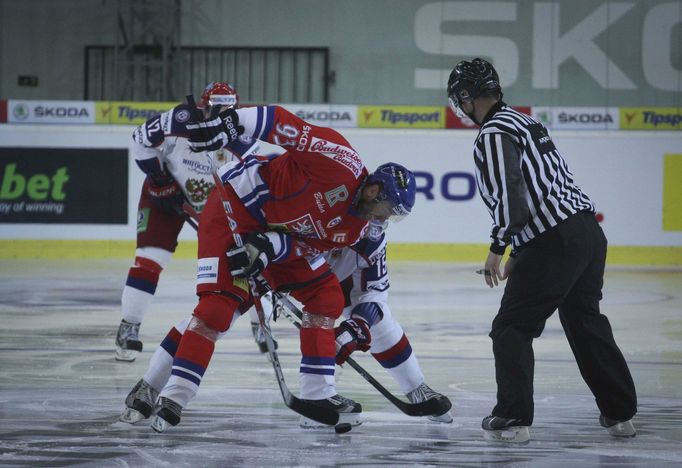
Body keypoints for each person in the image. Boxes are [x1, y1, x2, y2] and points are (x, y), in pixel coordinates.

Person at [121, 101, 418, 432]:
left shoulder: (356, 228)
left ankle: (318, 393)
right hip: (234, 208)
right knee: (218, 309)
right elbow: (282, 122)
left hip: (270, 239)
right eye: (387, 208)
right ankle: (169, 393)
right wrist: (232, 122)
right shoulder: (340, 162)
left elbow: (305, 246)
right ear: (373, 190)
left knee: (326, 295)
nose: (385, 219)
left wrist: (267, 250)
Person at [446, 58, 637, 443]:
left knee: (511, 327)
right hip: (585, 233)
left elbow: (512, 193)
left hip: (554, 241)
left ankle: (513, 418)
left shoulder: (493, 133)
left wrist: (498, 248)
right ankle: (620, 414)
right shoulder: (525, 122)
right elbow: (544, 188)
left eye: (459, 99)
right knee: (585, 322)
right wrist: (520, 251)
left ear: (467, 96)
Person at [119, 229, 453, 429]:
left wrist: (356, 327)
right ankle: (148, 386)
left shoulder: (371, 238)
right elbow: (279, 235)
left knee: (381, 324)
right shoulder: (325, 213)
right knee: (210, 318)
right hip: (271, 265)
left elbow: (374, 294)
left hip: (320, 285)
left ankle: (411, 389)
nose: (376, 223)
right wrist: (261, 258)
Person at [114, 82, 270, 362]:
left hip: (215, 208)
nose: (221, 113)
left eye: (228, 108)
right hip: (164, 196)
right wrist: (160, 181)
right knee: (148, 261)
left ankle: (262, 326)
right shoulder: (180, 119)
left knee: (246, 262)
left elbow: (254, 177)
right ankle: (128, 327)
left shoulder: (244, 134)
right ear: (202, 106)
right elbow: (140, 139)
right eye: (215, 107)